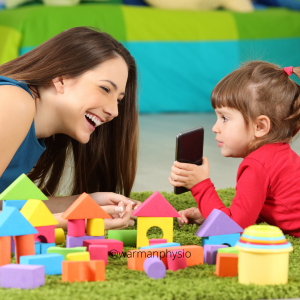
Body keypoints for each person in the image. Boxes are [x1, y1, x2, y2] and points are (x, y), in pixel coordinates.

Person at [0, 26, 141, 230]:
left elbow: (10, 208)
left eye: (118, 100)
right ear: (61, 79)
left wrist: (86, 203)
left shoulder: (36, 132)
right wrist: (72, 221)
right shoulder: (13, 101)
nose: (114, 111)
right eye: (105, 89)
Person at [169, 61, 300, 237]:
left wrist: (200, 185)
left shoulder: (256, 165)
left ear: (260, 126)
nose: (215, 127)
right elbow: (262, 212)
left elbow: (232, 228)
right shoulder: (280, 154)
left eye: (224, 118)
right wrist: (209, 213)